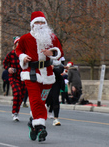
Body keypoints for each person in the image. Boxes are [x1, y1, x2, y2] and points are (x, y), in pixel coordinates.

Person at [16, 11, 63, 142]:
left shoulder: (52, 37)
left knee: (41, 101)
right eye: (37, 22)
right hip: (31, 73)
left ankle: (33, 123)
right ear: (32, 24)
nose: (40, 25)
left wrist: (51, 52)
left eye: (43, 22)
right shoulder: (25, 38)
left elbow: (59, 52)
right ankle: (41, 127)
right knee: (35, 100)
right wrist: (23, 57)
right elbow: (18, 50)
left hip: (47, 73)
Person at [3, 36, 26, 121]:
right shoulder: (11, 54)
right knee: (17, 93)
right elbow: (4, 63)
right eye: (18, 43)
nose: (19, 44)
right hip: (13, 76)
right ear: (15, 44)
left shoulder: (25, 54)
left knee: (22, 95)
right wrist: (8, 68)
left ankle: (17, 111)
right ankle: (14, 112)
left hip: (23, 76)